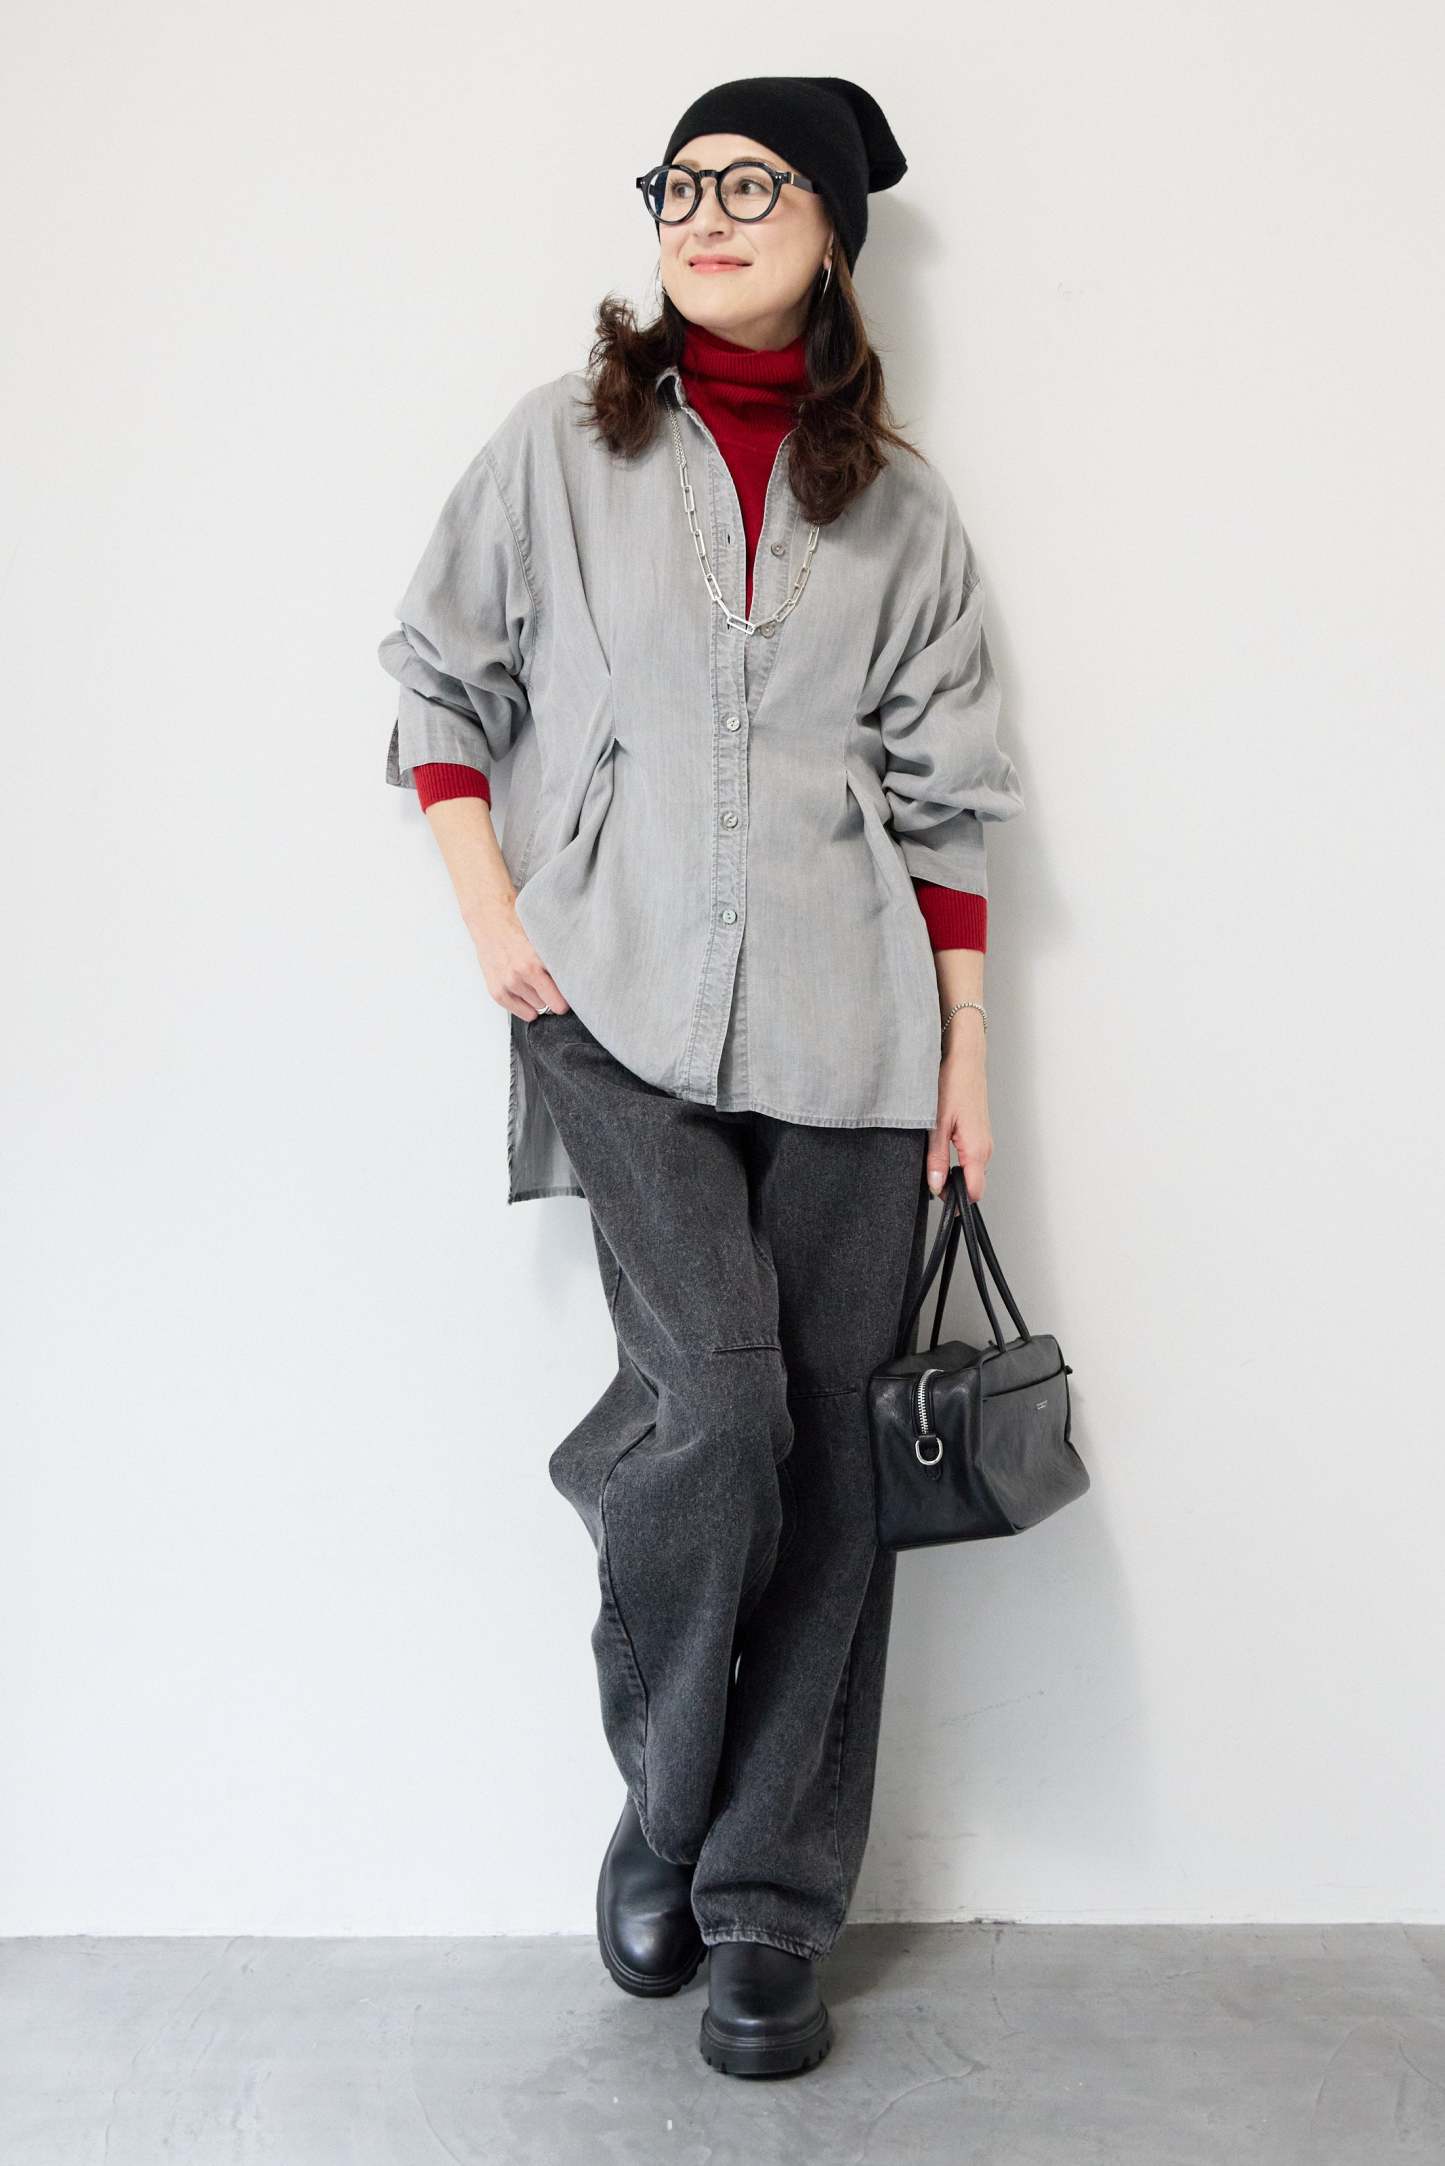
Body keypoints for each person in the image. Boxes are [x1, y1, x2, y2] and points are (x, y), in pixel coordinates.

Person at [378, 74, 1026, 2078]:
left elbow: (948, 804)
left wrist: (970, 1053)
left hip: (854, 1034)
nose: (706, 212)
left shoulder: (900, 511)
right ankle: (668, 1801)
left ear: (831, 235)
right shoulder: (561, 445)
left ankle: (764, 1902)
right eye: (681, 183)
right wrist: (491, 914)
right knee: (724, 1406)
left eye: (754, 186)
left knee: (829, 1467)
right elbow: (435, 678)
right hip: (612, 1005)